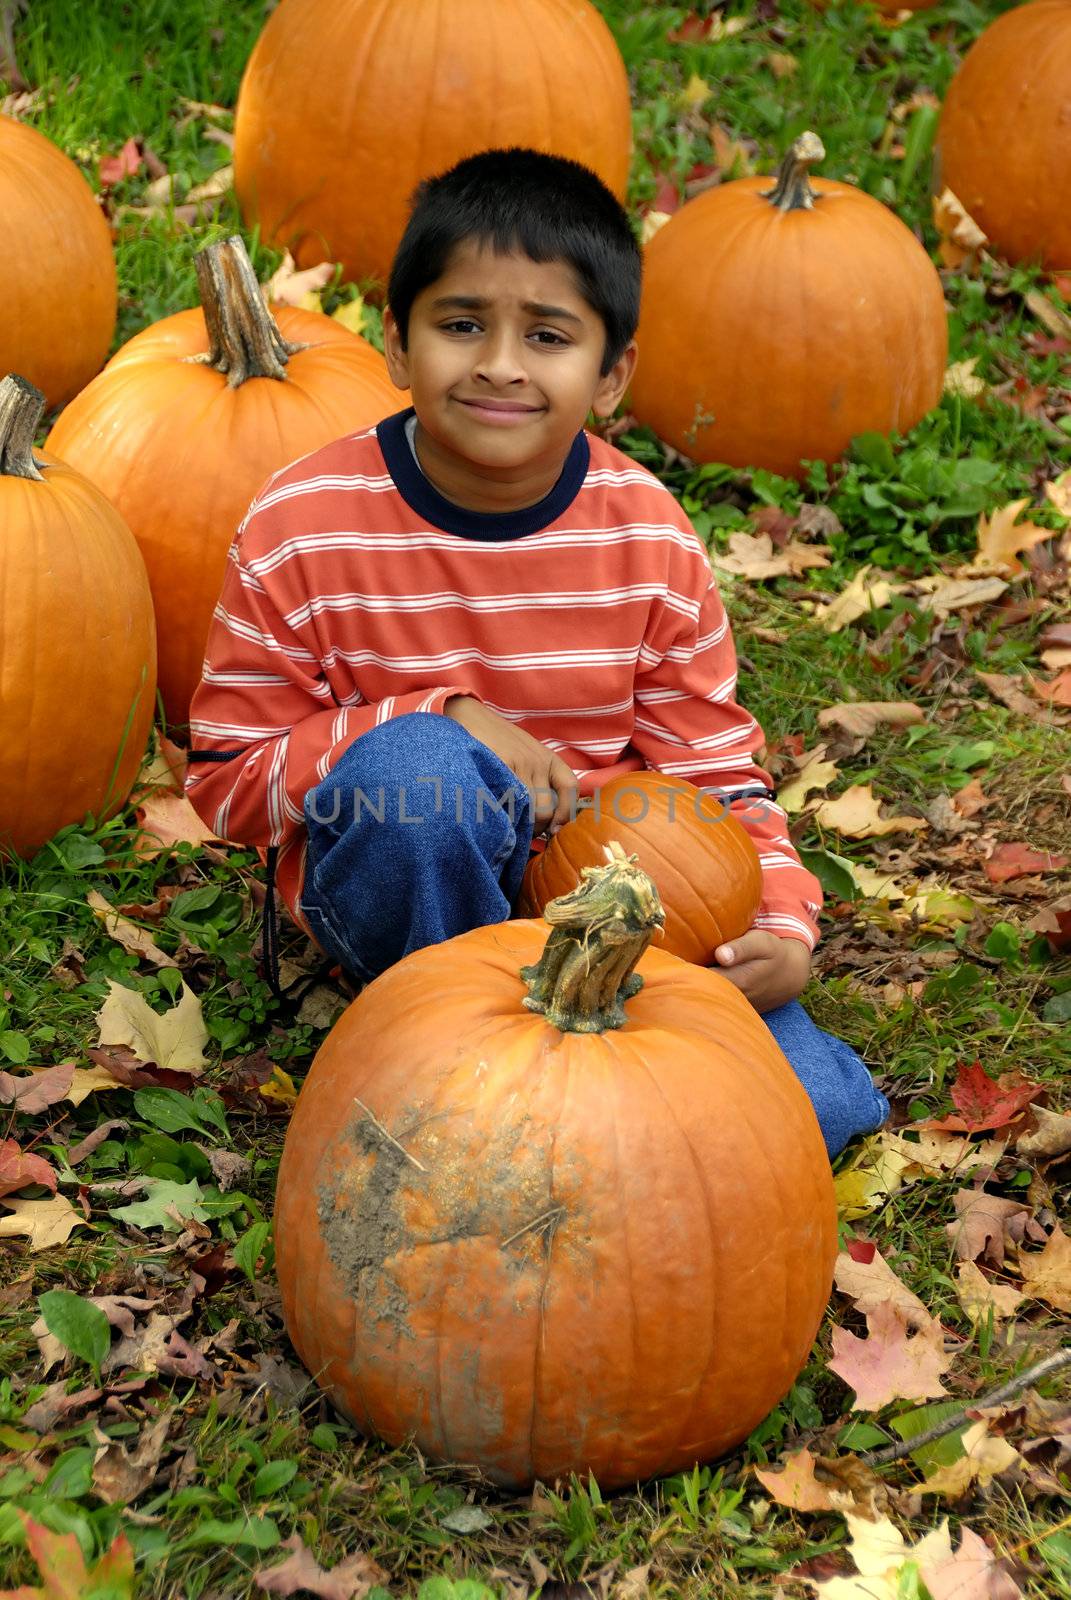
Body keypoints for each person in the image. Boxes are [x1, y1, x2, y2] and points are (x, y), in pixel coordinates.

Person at [185, 147, 888, 1158]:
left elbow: (713, 772)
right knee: (424, 777)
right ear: (396, 342)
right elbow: (225, 783)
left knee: (809, 1116)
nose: (501, 364)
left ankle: (590, 1110)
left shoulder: (643, 536)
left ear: (612, 377)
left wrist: (781, 924)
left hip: (609, 906)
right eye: (461, 323)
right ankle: (444, 1059)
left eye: (548, 335)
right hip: (403, 883)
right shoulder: (304, 524)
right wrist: (430, 714)